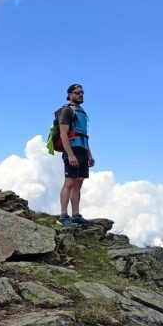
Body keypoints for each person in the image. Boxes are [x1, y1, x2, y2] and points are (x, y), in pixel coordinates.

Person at [57, 84, 94, 227]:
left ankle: (76, 215)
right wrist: (70, 154)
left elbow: (84, 135)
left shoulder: (82, 112)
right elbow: (63, 133)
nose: (80, 94)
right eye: (77, 92)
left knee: (79, 182)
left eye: (82, 92)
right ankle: (63, 215)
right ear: (69, 94)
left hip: (82, 148)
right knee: (69, 182)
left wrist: (89, 154)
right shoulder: (67, 110)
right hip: (72, 149)